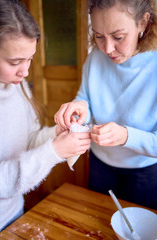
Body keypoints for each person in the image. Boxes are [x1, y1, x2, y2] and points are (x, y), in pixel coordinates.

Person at [0, 0, 91, 234]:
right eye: (15, 62)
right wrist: (54, 152)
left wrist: (54, 136)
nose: (26, 71)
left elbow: (27, 141)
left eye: (30, 58)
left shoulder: (17, 86)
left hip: (14, 214)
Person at [55, 0, 157, 210]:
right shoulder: (95, 59)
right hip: (100, 164)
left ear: (143, 23)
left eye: (118, 37)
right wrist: (79, 107)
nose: (107, 48)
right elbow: (85, 98)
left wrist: (126, 136)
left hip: (144, 173)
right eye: (99, 36)